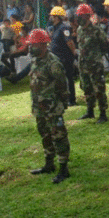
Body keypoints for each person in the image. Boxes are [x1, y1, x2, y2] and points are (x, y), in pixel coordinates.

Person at [26, 29, 71, 184]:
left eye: (33, 45)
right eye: (30, 44)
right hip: (39, 107)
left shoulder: (53, 63)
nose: (30, 48)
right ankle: (49, 164)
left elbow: (62, 86)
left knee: (59, 137)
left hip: (52, 108)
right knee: (44, 134)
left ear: (43, 45)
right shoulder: (35, 60)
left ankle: (63, 168)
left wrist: (62, 104)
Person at [75, 4, 109, 123]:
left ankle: (103, 113)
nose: (78, 17)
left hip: (95, 64)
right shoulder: (79, 29)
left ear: (87, 16)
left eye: (81, 15)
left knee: (99, 88)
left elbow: (105, 44)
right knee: (87, 87)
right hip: (83, 64)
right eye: (78, 15)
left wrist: (97, 55)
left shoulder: (96, 30)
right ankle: (90, 111)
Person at [48, 6, 77, 105]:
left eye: (52, 16)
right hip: (57, 59)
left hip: (65, 58)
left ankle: (71, 99)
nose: (51, 18)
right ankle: (63, 98)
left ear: (57, 17)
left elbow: (69, 42)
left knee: (68, 79)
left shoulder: (64, 28)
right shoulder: (55, 28)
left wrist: (74, 53)